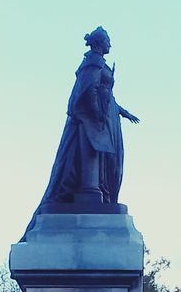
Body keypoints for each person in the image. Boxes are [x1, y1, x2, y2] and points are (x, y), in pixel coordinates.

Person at [39, 26, 140, 206]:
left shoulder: (99, 62)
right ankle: (91, 194)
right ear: (101, 43)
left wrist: (123, 112)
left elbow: (108, 95)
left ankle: (101, 193)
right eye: (108, 41)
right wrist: (96, 113)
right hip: (94, 119)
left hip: (106, 119)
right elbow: (88, 89)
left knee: (105, 161)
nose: (110, 44)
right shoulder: (94, 62)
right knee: (93, 155)